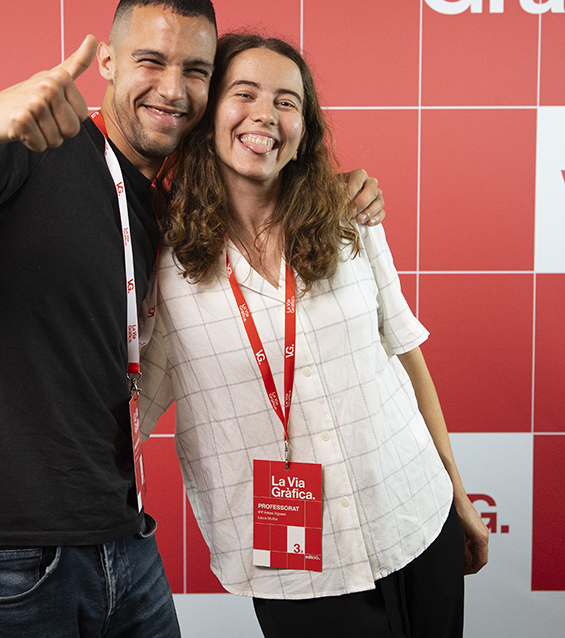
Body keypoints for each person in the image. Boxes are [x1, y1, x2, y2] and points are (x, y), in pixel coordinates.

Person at [0, 0, 383, 638]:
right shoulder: (26, 146)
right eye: (152, 61)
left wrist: (342, 190)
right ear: (109, 62)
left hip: (124, 539)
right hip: (4, 553)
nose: (173, 89)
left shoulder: (181, 210)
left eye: (196, 71)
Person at [137, 33, 489, 637]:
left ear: (304, 131)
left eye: (287, 101)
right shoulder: (166, 272)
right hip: (296, 568)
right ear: (208, 116)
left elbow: (406, 357)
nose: (265, 115)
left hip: (413, 515)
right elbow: (123, 408)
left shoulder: (351, 219)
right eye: (244, 94)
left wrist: (456, 492)